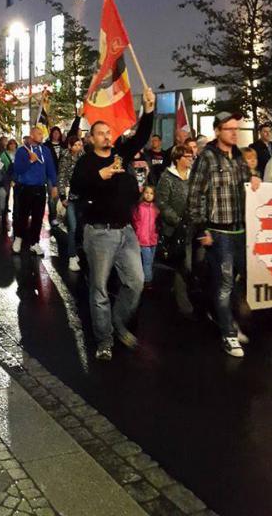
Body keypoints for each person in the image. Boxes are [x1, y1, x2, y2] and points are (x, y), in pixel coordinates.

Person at [70, 88, 155, 361]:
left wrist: (149, 111)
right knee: (99, 290)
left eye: (109, 132)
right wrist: (100, 176)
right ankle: (104, 340)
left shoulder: (120, 154)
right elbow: (78, 187)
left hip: (126, 232)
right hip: (99, 234)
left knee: (136, 283)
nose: (107, 136)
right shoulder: (86, 162)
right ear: (91, 139)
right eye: (101, 133)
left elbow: (141, 136)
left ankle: (116, 322)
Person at [187, 111, 261, 358]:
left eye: (236, 129)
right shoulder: (207, 158)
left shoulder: (239, 157)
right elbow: (195, 194)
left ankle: (226, 320)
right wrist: (201, 230)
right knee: (225, 282)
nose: (234, 132)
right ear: (218, 130)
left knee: (237, 281)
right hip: (219, 231)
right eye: (229, 128)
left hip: (240, 229)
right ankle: (228, 334)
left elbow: (247, 184)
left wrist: (255, 180)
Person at [156, 145, 194, 316]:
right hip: (177, 229)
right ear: (178, 159)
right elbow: (162, 202)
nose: (191, 159)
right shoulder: (167, 177)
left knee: (193, 263)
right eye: (187, 156)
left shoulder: (193, 176)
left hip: (194, 226)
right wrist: (177, 220)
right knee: (182, 264)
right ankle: (183, 303)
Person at [12, 126, 58, 256]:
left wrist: (54, 185)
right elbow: (18, 170)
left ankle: (34, 242)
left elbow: (50, 169)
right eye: (39, 134)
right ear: (32, 135)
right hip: (25, 188)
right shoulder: (22, 151)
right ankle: (18, 238)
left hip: (40, 188)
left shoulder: (45, 150)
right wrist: (30, 161)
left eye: (42, 134)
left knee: (38, 217)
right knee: (22, 215)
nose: (42, 136)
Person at [57, 135, 84, 271]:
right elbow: (61, 177)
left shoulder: (84, 157)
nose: (78, 147)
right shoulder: (65, 158)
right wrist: (62, 196)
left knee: (81, 227)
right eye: (76, 145)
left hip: (83, 197)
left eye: (80, 144)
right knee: (72, 227)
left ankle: (76, 251)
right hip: (70, 196)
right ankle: (71, 257)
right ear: (70, 146)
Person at [132, 185, 159, 286]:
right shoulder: (139, 207)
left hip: (153, 238)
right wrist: (138, 235)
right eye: (146, 193)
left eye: (151, 193)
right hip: (143, 240)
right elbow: (135, 222)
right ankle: (147, 282)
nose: (148, 195)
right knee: (147, 262)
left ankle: (145, 279)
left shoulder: (155, 208)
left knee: (150, 262)